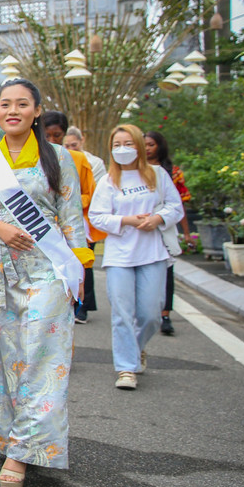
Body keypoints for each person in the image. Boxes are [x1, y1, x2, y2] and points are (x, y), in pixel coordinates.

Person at [0, 78, 92, 487]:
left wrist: (79, 269)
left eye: (22, 104)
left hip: (48, 269)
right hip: (0, 271)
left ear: (37, 111)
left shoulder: (59, 158)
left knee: (42, 357)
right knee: (11, 359)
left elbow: (71, 217)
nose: (12, 110)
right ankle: (13, 436)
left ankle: (20, 454)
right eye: (4, 104)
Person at [89, 124, 184, 390]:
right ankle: (126, 368)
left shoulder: (156, 175)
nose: (122, 150)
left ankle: (136, 348)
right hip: (119, 256)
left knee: (151, 314)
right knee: (121, 314)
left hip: (152, 254)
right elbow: (97, 216)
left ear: (140, 146)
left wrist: (158, 218)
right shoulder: (108, 181)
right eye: (117, 145)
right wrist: (126, 220)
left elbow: (175, 207)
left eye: (128, 144)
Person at [44, 111, 101, 324]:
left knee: (81, 264)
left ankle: (82, 305)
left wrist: (70, 203)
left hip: (71, 221)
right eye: (47, 135)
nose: (52, 141)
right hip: (45, 227)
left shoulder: (76, 158)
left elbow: (89, 192)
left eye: (57, 136)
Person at [145, 130, 191, 335]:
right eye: (144, 144)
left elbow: (179, 205)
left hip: (163, 225)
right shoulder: (132, 171)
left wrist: (187, 233)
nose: (147, 148)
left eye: (151, 145)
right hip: (140, 228)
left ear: (159, 146)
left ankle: (165, 314)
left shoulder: (171, 172)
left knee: (167, 271)